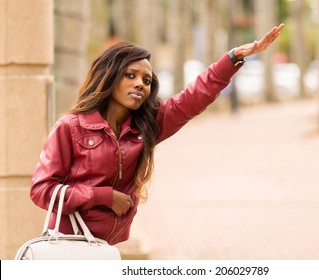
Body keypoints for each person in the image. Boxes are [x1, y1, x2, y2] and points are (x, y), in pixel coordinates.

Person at [30, 24, 284, 245]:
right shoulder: (71, 127)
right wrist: (103, 196)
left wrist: (233, 58)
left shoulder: (144, 128)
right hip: (68, 241)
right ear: (109, 76)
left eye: (147, 80)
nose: (140, 83)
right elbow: (41, 190)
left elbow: (192, 98)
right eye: (130, 75)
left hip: (105, 246)